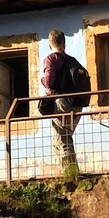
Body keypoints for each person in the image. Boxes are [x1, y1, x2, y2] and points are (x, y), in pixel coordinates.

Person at [39, 29, 91, 171]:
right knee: (62, 139)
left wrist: (42, 80)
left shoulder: (51, 59)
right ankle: (69, 172)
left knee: (62, 139)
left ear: (50, 43)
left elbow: (49, 82)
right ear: (64, 43)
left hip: (62, 102)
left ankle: (71, 173)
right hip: (76, 103)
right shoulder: (72, 60)